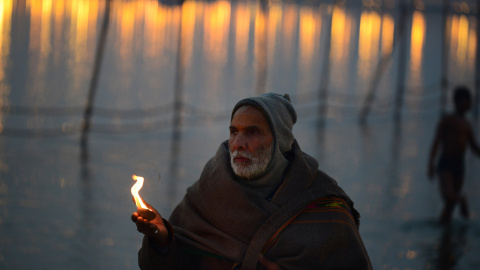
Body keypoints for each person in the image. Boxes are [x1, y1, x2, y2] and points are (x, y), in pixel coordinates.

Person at [132, 92, 372, 269]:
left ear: (280, 141)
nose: (238, 144)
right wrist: (163, 240)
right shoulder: (209, 192)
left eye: (253, 132)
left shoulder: (324, 205)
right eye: (234, 131)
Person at [428, 86, 480, 223]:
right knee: (449, 196)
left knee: (450, 206)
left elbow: (474, 147)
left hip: (459, 165)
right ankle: (462, 200)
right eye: (466, 100)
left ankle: (446, 235)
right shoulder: (448, 120)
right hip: (446, 163)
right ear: (457, 101)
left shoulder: (467, 125)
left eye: (469, 101)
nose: (468, 103)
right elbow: (436, 141)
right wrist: (430, 164)